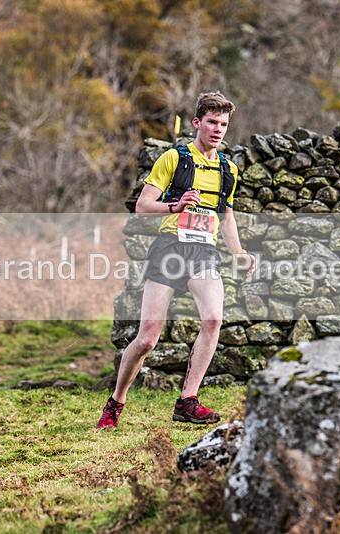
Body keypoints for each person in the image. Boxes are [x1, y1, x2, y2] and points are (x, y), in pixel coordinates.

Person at [97, 91, 255, 430]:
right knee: (148, 339)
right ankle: (116, 401)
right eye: (212, 122)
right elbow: (142, 206)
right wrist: (175, 206)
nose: (218, 129)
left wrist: (238, 252)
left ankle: (187, 400)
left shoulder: (228, 169)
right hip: (170, 247)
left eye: (224, 124)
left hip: (204, 251)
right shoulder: (173, 158)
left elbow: (225, 216)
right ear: (197, 123)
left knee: (213, 320)